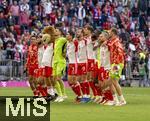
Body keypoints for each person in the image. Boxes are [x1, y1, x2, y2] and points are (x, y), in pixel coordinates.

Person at [108, 28, 126, 106]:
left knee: (114, 81)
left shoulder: (116, 42)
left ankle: (122, 100)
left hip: (116, 64)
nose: (109, 33)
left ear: (113, 33)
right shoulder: (113, 41)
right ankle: (116, 100)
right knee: (111, 82)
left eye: (110, 32)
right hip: (114, 64)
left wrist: (116, 64)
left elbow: (120, 53)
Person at [66, 30, 82, 102]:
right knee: (69, 82)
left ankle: (80, 96)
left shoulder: (75, 42)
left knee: (74, 81)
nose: (66, 36)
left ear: (71, 36)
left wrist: (76, 36)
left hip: (75, 63)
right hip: (70, 64)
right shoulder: (68, 43)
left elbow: (78, 39)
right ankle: (79, 95)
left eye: (68, 34)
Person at [53, 28, 67, 102]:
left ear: (60, 32)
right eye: (54, 30)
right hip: (54, 62)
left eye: (57, 30)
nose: (55, 31)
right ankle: (62, 95)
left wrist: (65, 51)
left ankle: (61, 95)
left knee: (58, 78)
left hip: (61, 61)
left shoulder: (62, 39)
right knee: (54, 79)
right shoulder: (54, 41)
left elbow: (69, 40)